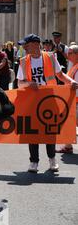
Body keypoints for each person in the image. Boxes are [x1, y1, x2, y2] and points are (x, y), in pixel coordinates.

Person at [17, 34, 78, 173]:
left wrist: (71, 82)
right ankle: (34, 162)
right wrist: (27, 83)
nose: (24, 48)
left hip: (49, 99)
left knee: (50, 131)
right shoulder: (23, 61)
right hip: (32, 101)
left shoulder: (50, 57)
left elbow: (60, 75)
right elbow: (19, 83)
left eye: (26, 45)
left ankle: (52, 160)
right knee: (32, 133)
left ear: (35, 44)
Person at [57, 44, 78, 154]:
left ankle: (68, 146)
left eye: (70, 53)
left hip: (75, 100)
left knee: (69, 122)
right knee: (68, 123)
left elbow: (75, 85)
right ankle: (68, 145)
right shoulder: (74, 65)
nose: (68, 55)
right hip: (72, 99)